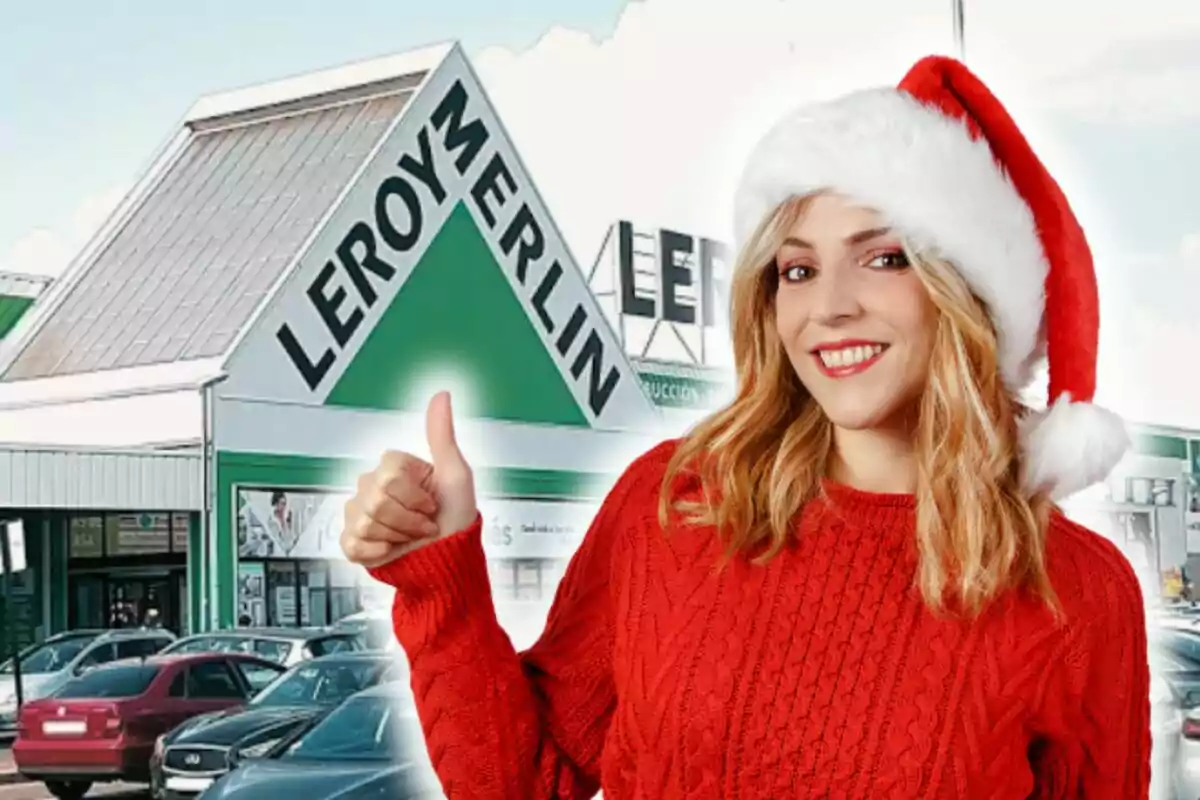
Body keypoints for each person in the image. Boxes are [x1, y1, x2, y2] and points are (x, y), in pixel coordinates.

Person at [340, 56, 1150, 798]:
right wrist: (436, 579)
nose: (830, 306)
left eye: (885, 257)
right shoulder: (675, 502)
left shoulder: (1077, 594)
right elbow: (524, 780)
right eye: (796, 269)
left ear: (968, 296)